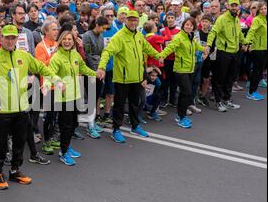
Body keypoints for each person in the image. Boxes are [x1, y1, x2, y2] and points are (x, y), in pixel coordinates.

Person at [0, 25, 61, 190]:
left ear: (17, 39)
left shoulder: (24, 56)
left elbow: (42, 68)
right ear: (1, 38)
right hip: (2, 110)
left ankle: (15, 170)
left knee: (19, 141)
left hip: (21, 108)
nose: (10, 40)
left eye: (13, 37)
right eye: (7, 37)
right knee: (0, 143)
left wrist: (55, 79)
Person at [97, 11, 162, 143]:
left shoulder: (138, 35)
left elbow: (148, 48)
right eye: (130, 20)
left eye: (135, 20)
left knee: (135, 103)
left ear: (138, 21)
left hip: (137, 78)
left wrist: (159, 56)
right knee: (120, 105)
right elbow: (107, 51)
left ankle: (135, 126)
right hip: (122, 78)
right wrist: (102, 67)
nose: (133, 22)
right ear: (126, 20)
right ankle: (116, 130)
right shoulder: (119, 36)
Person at [49, 30, 98, 165]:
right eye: (64, 39)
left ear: (73, 41)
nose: (67, 41)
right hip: (63, 98)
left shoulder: (75, 54)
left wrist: (95, 73)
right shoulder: (56, 57)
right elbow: (50, 73)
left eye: (69, 39)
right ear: (60, 41)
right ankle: (63, 152)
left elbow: (83, 68)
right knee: (66, 126)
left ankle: (67, 146)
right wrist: (58, 81)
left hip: (76, 95)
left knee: (74, 124)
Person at [159, 18, 205, 128]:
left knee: (184, 93)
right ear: (183, 25)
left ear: (194, 27)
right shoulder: (179, 37)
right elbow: (170, 47)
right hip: (180, 69)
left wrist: (205, 49)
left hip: (189, 69)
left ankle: (180, 116)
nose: (188, 26)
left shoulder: (190, 36)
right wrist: (162, 56)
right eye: (187, 24)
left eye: (191, 25)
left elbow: (196, 46)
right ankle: (182, 117)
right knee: (187, 92)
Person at [204, 0, 248, 112]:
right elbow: (213, 32)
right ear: (228, 6)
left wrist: (245, 42)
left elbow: (239, 34)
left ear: (238, 7)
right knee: (220, 78)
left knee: (230, 78)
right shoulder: (222, 19)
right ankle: (218, 102)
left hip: (234, 52)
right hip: (223, 53)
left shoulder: (237, 20)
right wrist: (208, 46)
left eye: (236, 5)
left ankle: (227, 100)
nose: (234, 7)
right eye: (232, 5)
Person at [35, 19, 60, 155]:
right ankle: (46, 142)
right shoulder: (40, 46)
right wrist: (54, 55)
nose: (56, 31)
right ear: (46, 31)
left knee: (55, 114)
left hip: (58, 84)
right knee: (49, 115)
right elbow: (40, 67)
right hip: (47, 86)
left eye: (57, 29)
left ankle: (51, 138)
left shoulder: (57, 44)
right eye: (54, 29)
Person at [82, 16, 109, 138]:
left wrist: (101, 69)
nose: (104, 30)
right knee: (91, 97)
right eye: (103, 28)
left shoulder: (101, 36)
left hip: (99, 70)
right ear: (97, 25)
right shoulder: (87, 36)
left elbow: (102, 53)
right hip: (91, 71)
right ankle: (90, 125)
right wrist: (95, 71)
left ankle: (92, 122)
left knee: (96, 96)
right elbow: (87, 55)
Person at [244, 2, 267, 101]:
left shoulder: (264, 19)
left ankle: (254, 91)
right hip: (257, 49)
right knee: (257, 71)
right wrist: (246, 43)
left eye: (265, 8)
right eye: (262, 9)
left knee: (260, 71)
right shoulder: (257, 19)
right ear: (258, 10)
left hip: (264, 48)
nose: (264, 10)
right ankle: (251, 92)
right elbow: (251, 32)